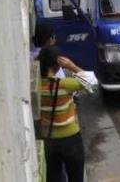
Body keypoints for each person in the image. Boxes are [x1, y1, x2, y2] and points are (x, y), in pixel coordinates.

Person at [39, 45, 86, 182]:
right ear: (58, 64)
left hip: (48, 140)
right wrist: (72, 66)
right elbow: (91, 81)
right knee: (76, 177)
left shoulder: (36, 87)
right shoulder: (65, 84)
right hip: (71, 139)